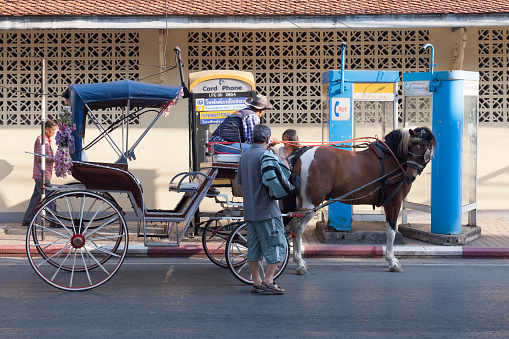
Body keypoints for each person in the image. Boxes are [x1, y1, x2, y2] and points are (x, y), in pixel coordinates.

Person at [236, 124, 286, 294]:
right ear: (267, 139)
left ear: (252, 138)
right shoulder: (266, 155)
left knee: (254, 249)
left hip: (250, 211)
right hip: (267, 211)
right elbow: (280, 177)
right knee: (278, 245)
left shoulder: (244, 156)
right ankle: (269, 280)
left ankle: (257, 281)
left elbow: (240, 186)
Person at [208, 94, 273, 154]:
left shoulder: (242, 112)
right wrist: (270, 141)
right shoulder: (252, 116)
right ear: (261, 111)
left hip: (216, 144)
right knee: (258, 148)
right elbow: (254, 141)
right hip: (223, 145)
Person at [22, 120, 58, 226]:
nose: (54, 133)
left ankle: (27, 219)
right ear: (46, 129)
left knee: (36, 198)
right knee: (50, 196)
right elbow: (39, 158)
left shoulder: (46, 140)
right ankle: (54, 220)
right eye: (53, 130)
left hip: (43, 174)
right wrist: (55, 159)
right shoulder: (42, 140)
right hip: (41, 174)